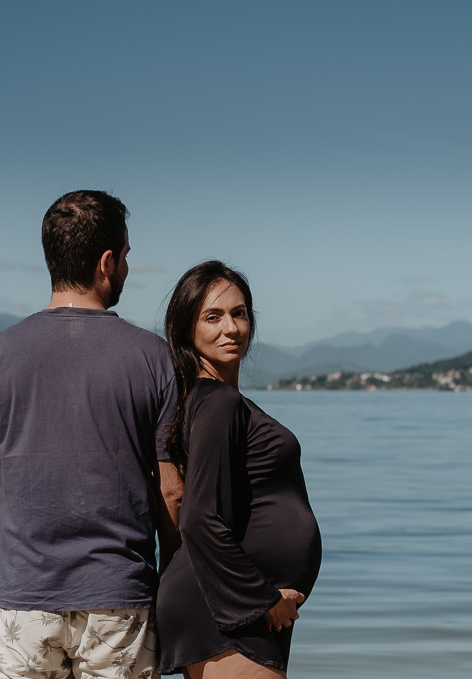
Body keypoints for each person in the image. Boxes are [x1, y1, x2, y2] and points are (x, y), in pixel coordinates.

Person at [0, 190, 182, 679]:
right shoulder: (154, 358)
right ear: (106, 262)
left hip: (22, 605)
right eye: (126, 256)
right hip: (121, 601)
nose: (126, 268)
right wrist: (174, 588)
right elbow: (172, 493)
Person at [156, 261, 322, 678]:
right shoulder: (217, 402)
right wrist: (261, 600)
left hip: (229, 607)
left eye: (240, 313)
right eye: (212, 317)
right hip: (230, 612)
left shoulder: (207, 399)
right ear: (185, 329)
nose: (231, 328)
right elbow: (197, 518)